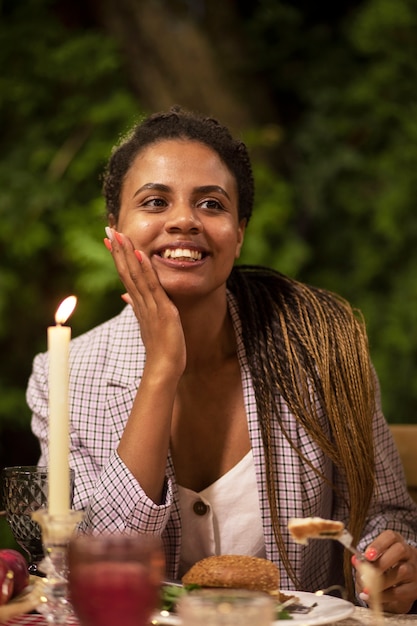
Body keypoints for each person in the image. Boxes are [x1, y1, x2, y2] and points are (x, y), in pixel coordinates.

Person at [27, 106, 417, 612]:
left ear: (239, 232)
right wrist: (162, 368)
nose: (184, 220)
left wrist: (395, 563)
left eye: (211, 204)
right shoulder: (66, 375)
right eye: (155, 201)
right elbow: (95, 568)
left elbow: (388, 515)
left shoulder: (321, 351)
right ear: (115, 230)